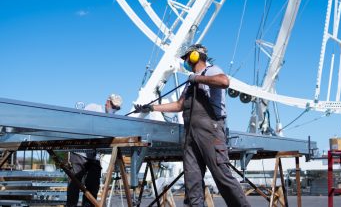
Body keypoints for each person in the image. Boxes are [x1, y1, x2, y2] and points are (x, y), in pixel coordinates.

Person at [134, 44, 250, 206]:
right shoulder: (190, 82)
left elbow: (224, 81)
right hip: (190, 135)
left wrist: (198, 78)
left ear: (194, 56)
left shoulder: (211, 70)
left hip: (210, 131)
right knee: (192, 180)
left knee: (222, 176)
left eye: (186, 57)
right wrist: (151, 107)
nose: (185, 62)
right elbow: (179, 105)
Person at [66, 94, 123, 207]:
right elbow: (81, 122)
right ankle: (71, 205)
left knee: (93, 186)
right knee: (75, 185)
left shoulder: (111, 119)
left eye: (117, 108)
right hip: (79, 151)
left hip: (94, 155)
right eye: (113, 106)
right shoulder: (94, 108)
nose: (114, 109)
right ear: (107, 102)